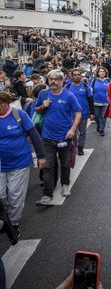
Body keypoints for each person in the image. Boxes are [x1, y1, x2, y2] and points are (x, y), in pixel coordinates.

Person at [34, 70, 82, 205]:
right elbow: (36, 109)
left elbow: (78, 113)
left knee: (65, 163)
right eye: (51, 79)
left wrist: (72, 130)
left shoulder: (69, 95)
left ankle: (65, 184)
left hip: (64, 138)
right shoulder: (43, 94)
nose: (53, 82)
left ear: (62, 81)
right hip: (47, 137)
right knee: (48, 166)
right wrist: (43, 105)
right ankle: (47, 195)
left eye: (56, 79)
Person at [0, 92, 45, 238]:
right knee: (1, 196)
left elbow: (34, 135)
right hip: (1, 164)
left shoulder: (18, 114)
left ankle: (13, 224)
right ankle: (4, 217)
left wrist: (41, 156)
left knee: (15, 194)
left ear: (6, 102)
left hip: (19, 162)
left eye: (1, 103)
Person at [66, 69, 94, 155]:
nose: (77, 76)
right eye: (75, 75)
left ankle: (80, 147)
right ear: (72, 76)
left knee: (82, 132)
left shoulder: (86, 87)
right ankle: (73, 145)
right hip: (71, 114)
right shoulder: (67, 87)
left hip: (83, 114)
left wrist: (92, 113)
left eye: (79, 74)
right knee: (72, 131)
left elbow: (90, 100)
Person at [91, 67, 110, 136]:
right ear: (98, 73)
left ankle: (102, 129)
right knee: (96, 116)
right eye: (100, 71)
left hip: (105, 102)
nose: (102, 73)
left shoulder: (108, 81)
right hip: (95, 102)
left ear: (105, 73)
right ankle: (99, 125)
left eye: (103, 72)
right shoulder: (94, 81)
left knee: (103, 116)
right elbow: (91, 91)